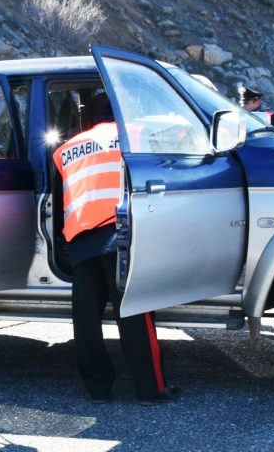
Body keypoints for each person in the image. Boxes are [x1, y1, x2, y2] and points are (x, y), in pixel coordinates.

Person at [52, 95, 179, 405]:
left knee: (86, 320)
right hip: (120, 237)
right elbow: (177, 141)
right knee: (134, 314)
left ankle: (98, 388)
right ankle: (151, 390)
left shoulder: (66, 149)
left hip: (82, 239)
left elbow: (59, 200)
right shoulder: (133, 135)